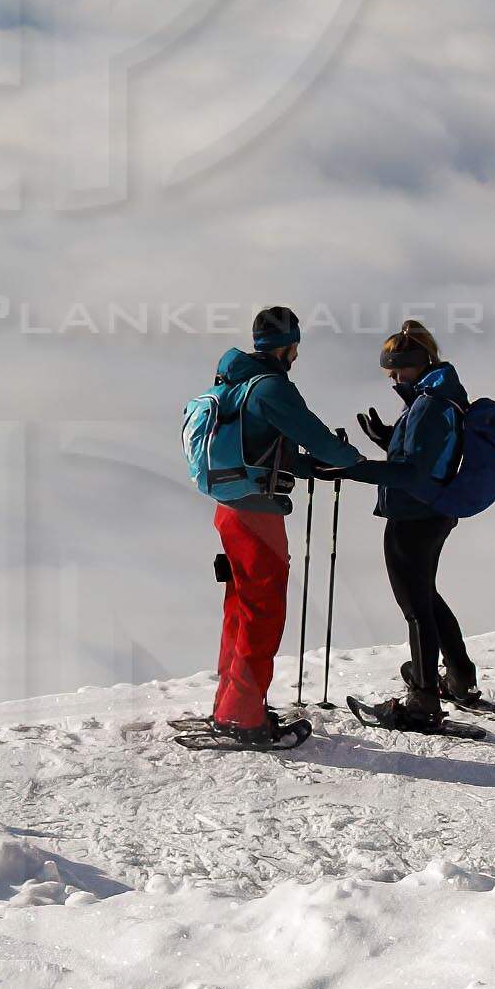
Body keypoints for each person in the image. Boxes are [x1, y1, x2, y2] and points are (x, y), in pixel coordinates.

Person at [178, 305, 379, 746]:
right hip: (258, 515)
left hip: (228, 506)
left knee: (240, 606)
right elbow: (319, 438)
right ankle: (245, 718)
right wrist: (353, 461)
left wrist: (302, 466)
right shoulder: (271, 387)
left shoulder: (234, 383)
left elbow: (271, 449)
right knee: (262, 611)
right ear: (291, 347)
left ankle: (230, 705)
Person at [347, 320, 487, 728]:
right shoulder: (440, 395)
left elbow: (414, 472)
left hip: (415, 515)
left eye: (399, 368)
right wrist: (387, 439)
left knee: (415, 608)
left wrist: (354, 468)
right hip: (434, 511)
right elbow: (426, 455)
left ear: (421, 362)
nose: (393, 376)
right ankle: (459, 678)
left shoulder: (430, 402)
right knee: (425, 596)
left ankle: (423, 701)